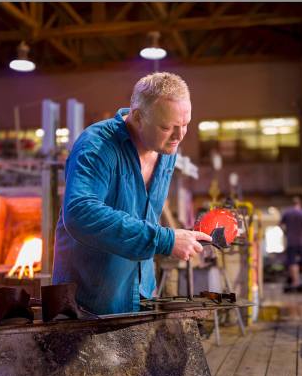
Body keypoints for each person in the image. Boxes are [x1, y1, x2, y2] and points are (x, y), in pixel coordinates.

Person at [52, 72, 212, 315]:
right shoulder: (97, 146)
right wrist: (162, 239)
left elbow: (144, 212)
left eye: (185, 125)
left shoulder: (167, 149)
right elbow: (79, 212)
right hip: (88, 301)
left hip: (142, 292)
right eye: (167, 127)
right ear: (138, 117)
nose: (179, 137)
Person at [280, 196, 302, 292]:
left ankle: (296, 282)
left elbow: (280, 224)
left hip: (291, 241)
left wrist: (286, 232)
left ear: (292, 203)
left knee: (292, 262)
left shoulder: (287, 213)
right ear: (300, 204)